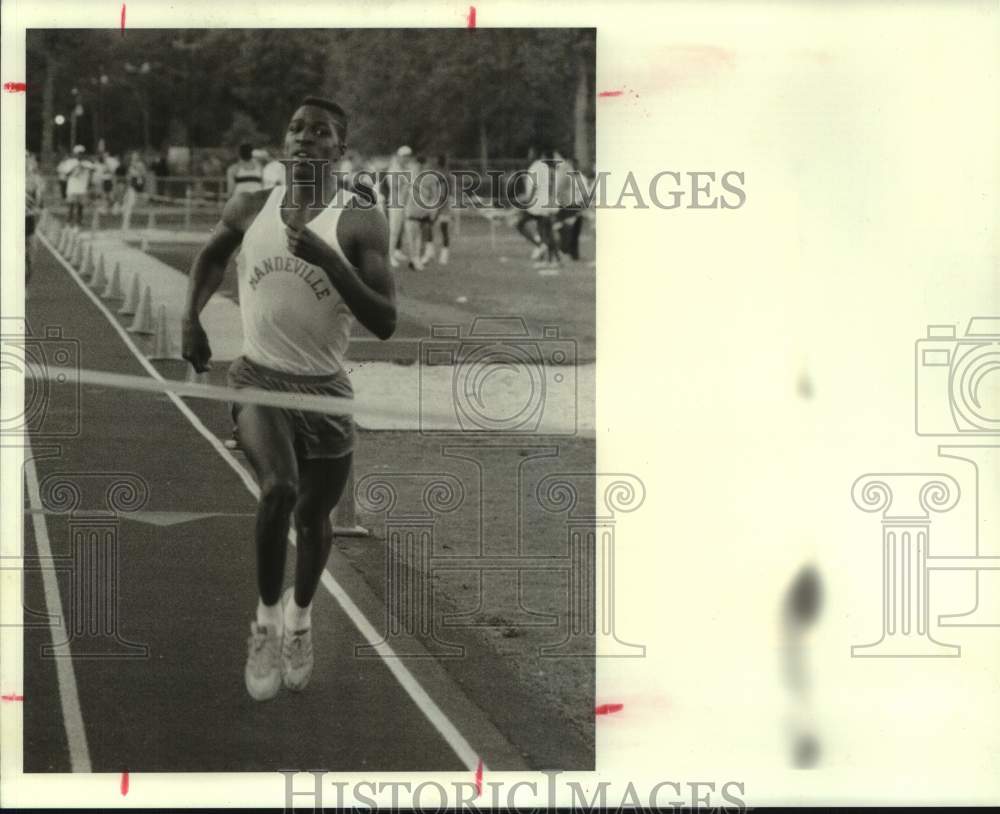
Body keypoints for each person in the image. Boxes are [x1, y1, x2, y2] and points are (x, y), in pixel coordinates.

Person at [182, 97, 397, 702]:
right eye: (296, 129)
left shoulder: (358, 221)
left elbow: (384, 320)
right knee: (277, 489)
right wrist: (189, 318)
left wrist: (332, 261)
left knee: (314, 518)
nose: (304, 139)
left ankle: (301, 619)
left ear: (340, 149)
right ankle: (266, 622)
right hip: (259, 377)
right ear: (285, 143)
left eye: (320, 132)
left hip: (325, 390)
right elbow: (212, 255)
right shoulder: (252, 204)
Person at [25, 152, 46, 284]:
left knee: (31, 254)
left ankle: (25, 284)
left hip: (28, 218)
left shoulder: (35, 180)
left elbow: (40, 203)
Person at [64, 145, 95, 227]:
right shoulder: (70, 162)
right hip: (72, 188)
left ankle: (78, 223)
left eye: (82, 153)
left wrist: (83, 166)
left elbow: (93, 169)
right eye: (78, 153)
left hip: (82, 188)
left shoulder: (87, 163)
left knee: (80, 207)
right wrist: (76, 166)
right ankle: (68, 223)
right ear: (75, 154)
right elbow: (66, 173)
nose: (80, 155)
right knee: (71, 206)